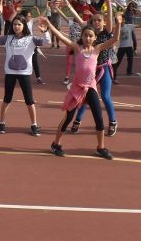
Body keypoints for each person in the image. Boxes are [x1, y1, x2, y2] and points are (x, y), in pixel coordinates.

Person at [43, 14, 122, 160]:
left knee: (99, 118)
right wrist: (49, 23)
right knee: (68, 118)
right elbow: (61, 36)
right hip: (77, 89)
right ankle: (56, 143)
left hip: (90, 88)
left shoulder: (97, 49)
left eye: (91, 36)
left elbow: (115, 39)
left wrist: (118, 24)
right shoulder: (77, 48)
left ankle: (101, 147)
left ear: (94, 38)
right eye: (85, 35)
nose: (88, 38)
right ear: (82, 36)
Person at [0, 10, 51, 136]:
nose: (16, 26)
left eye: (19, 24)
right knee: (7, 99)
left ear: (24, 26)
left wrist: (45, 31)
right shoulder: (8, 38)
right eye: (15, 24)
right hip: (10, 73)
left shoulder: (31, 39)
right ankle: (1, 123)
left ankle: (34, 125)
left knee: (29, 100)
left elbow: (46, 42)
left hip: (25, 74)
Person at [73, 0, 119, 137]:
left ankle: (112, 122)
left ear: (104, 22)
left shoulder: (106, 32)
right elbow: (80, 21)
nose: (97, 22)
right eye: (95, 20)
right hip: (91, 71)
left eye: (100, 20)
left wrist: (108, 2)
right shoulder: (90, 35)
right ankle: (77, 120)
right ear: (91, 23)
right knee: (87, 97)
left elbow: (111, 21)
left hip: (104, 68)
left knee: (105, 96)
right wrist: (68, 5)